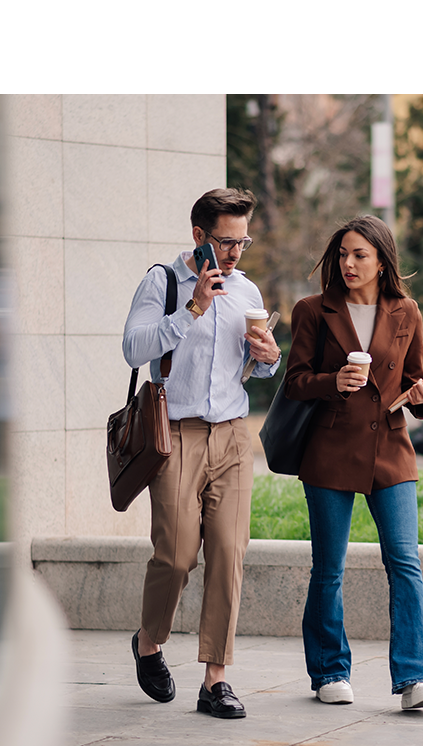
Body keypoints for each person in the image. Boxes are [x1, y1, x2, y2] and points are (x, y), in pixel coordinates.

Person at [121, 188, 281, 718]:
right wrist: (193, 309)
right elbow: (134, 348)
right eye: (225, 242)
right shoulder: (162, 282)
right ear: (199, 237)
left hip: (233, 434)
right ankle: (148, 641)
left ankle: (215, 679)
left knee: (230, 554)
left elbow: (249, 366)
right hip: (176, 434)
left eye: (243, 241)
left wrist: (267, 359)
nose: (235, 254)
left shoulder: (246, 289)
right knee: (175, 554)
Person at [283, 215, 423, 711]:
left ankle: (416, 678)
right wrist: (333, 382)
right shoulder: (313, 309)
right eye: (343, 254)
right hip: (330, 449)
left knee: (405, 562)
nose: (348, 264)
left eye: (360, 255)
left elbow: (413, 387)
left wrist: (422, 395)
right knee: (328, 568)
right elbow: (295, 382)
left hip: (391, 449)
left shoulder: (406, 312)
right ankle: (330, 670)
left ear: (381, 262)